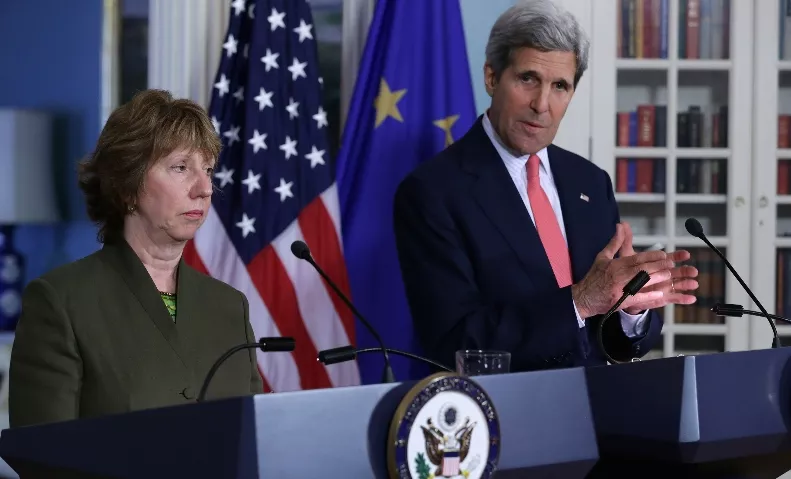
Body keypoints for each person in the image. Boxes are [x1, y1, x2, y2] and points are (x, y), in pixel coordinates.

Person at [393, 0, 699, 373]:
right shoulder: (431, 192)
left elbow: (612, 343)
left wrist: (631, 309)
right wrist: (581, 302)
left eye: (559, 86)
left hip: (600, 411)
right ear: (492, 77)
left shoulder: (590, 182)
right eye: (528, 79)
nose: (542, 105)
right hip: (504, 413)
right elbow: (455, 341)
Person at [9, 89, 263, 428]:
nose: (203, 188)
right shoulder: (60, 302)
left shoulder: (230, 306)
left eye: (208, 169)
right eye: (180, 167)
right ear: (127, 184)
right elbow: (41, 457)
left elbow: (256, 438)